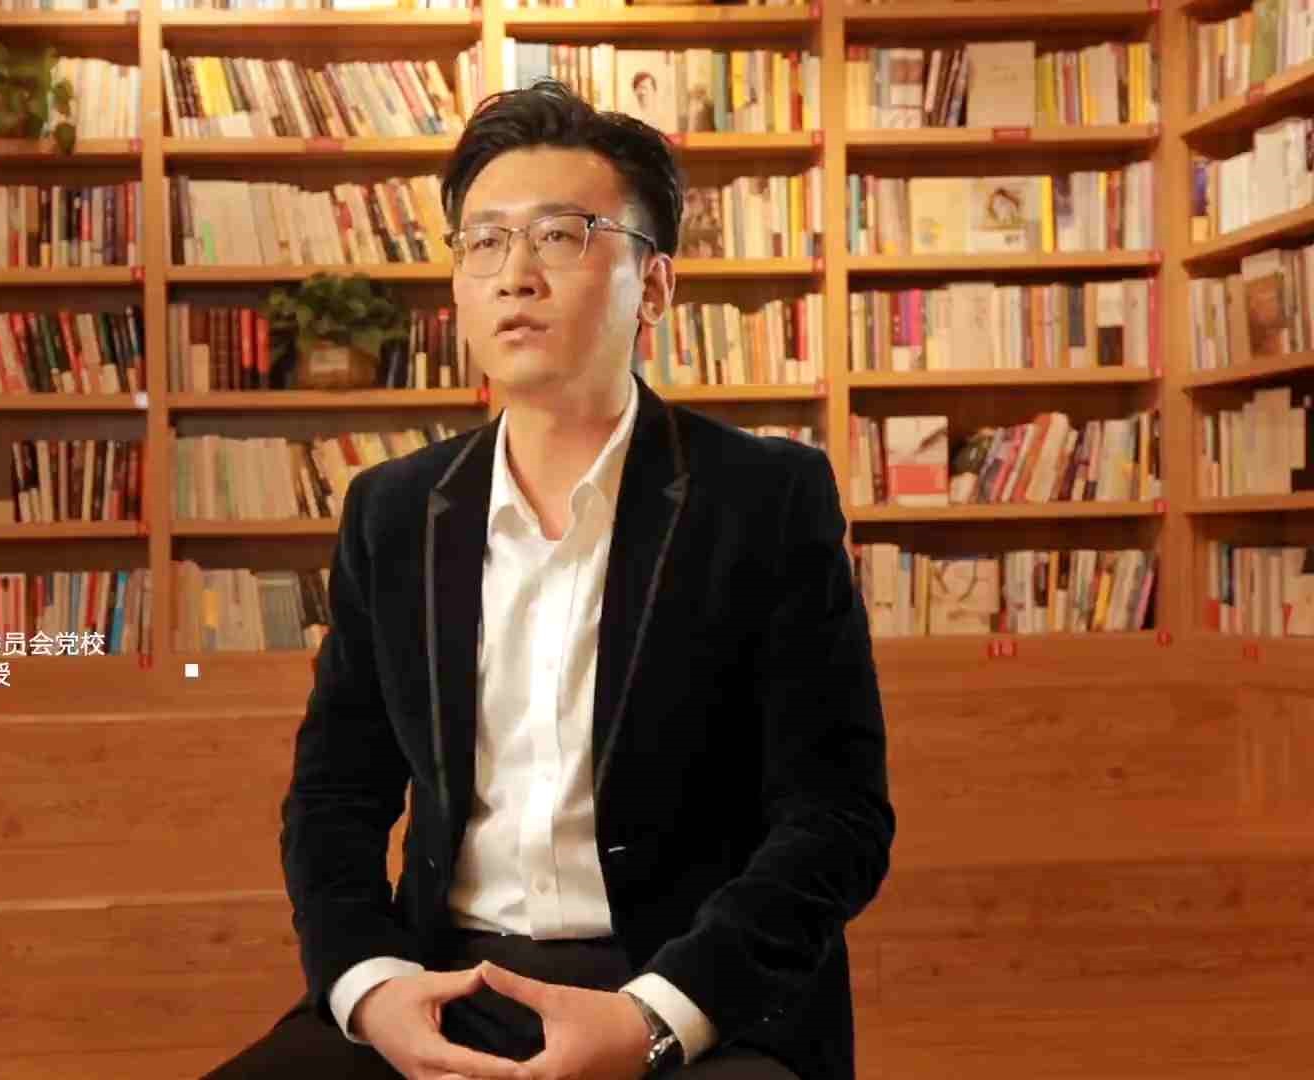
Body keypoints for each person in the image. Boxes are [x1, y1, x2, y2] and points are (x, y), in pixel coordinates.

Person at [204, 79, 894, 1080]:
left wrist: (655, 1017)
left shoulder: (764, 499)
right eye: (484, 242)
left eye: (561, 236)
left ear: (654, 285)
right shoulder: (393, 511)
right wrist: (371, 986)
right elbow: (334, 797)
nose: (514, 276)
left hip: (692, 993)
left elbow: (835, 818)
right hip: (445, 983)